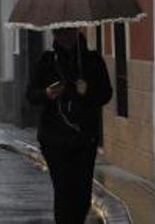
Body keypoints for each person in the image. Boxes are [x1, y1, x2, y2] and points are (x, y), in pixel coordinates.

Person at [26, 26, 113, 224]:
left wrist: (87, 91)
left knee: (82, 195)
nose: (63, 36)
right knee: (63, 191)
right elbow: (31, 94)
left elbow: (106, 93)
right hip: (53, 139)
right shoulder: (47, 61)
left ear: (76, 31)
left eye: (67, 32)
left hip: (84, 138)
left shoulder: (92, 61)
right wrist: (46, 94)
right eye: (58, 33)